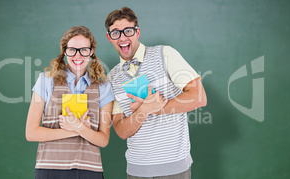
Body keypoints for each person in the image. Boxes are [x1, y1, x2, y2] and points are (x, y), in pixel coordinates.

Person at [105, 7, 207, 178]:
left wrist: (152, 107)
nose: (122, 37)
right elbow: (122, 131)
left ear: (138, 32)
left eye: (128, 31)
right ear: (109, 37)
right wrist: (145, 109)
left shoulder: (164, 54)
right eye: (115, 32)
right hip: (136, 171)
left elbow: (199, 97)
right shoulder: (112, 78)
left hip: (175, 169)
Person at [26, 26, 114, 179]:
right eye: (72, 50)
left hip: (89, 171)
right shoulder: (46, 81)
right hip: (50, 169)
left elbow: (103, 140)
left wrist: (79, 127)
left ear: (91, 51)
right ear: (64, 51)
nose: (78, 55)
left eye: (84, 50)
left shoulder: (104, 88)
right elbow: (31, 133)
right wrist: (75, 129)